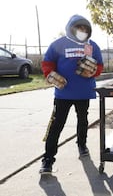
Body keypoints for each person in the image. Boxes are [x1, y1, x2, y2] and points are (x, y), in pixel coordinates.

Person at [39, 14, 104, 174]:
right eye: (79, 28)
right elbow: (47, 62)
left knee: (83, 120)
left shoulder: (92, 45)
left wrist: (93, 72)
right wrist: (49, 74)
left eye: (85, 29)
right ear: (71, 28)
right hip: (63, 93)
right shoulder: (58, 44)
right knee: (56, 125)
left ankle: (82, 144)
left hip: (84, 92)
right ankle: (48, 160)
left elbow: (100, 65)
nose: (82, 31)